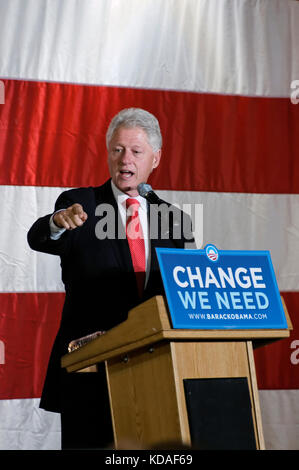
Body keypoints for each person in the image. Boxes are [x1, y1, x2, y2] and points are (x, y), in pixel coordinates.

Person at [27, 107, 194, 449]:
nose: (124, 159)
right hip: (91, 368)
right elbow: (38, 236)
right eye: (117, 149)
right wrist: (58, 222)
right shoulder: (80, 203)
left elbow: (180, 294)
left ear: (155, 159)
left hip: (154, 368)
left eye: (136, 151)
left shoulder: (172, 218)